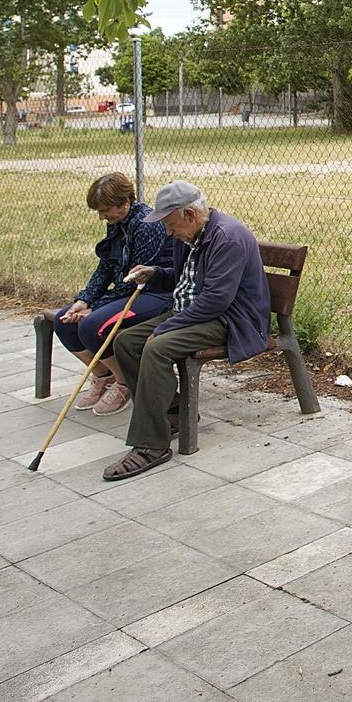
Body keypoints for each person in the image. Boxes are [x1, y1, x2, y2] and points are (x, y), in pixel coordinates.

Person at [101, 180, 271, 481]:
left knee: (156, 347)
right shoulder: (188, 237)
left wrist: (167, 326)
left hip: (230, 320)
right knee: (126, 342)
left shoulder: (226, 237)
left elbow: (216, 300)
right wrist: (154, 274)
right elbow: (185, 280)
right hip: (191, 313)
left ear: (190, 214)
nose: (168, 232)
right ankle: (175, 412)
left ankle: (151, 445)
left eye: (170, 224)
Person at [47, 173, 174, 416]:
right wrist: (83, 300)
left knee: (92, 326)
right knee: (63, 321)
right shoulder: (117, 223)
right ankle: (101, 375)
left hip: (155, 294)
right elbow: (106, 266)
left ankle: (124, 383)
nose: (102, 216)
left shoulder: (147, 225)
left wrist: (94, 309)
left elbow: (136, 280)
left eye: (105, 210)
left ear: (124, 202)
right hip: (129, 292)